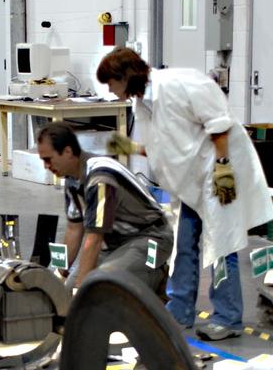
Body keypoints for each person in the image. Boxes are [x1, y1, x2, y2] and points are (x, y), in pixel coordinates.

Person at [96, 49, 273, 340]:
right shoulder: (143, 103)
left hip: (221, 169)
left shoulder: (179, 84)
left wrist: (223, 167)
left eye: (110, 83)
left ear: (124, 77)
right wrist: (131, 148)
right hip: (192, 180)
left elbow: (219, 124)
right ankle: (179, 311)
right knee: (184, 242)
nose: (110, 90)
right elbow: (167, 145)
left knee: (221, 244)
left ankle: (228, 319)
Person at [36, 121, 173, 292]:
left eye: (48, 159)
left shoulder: (100, 178)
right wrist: (58, 275)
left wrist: (80, 290)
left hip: (152, 239)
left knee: (102, 285)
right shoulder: (72, 179)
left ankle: (156, 276)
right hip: (114, 244)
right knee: (67, 290)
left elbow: (94, 238)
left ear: (67, 152)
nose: (46, 166)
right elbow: (73, 229)